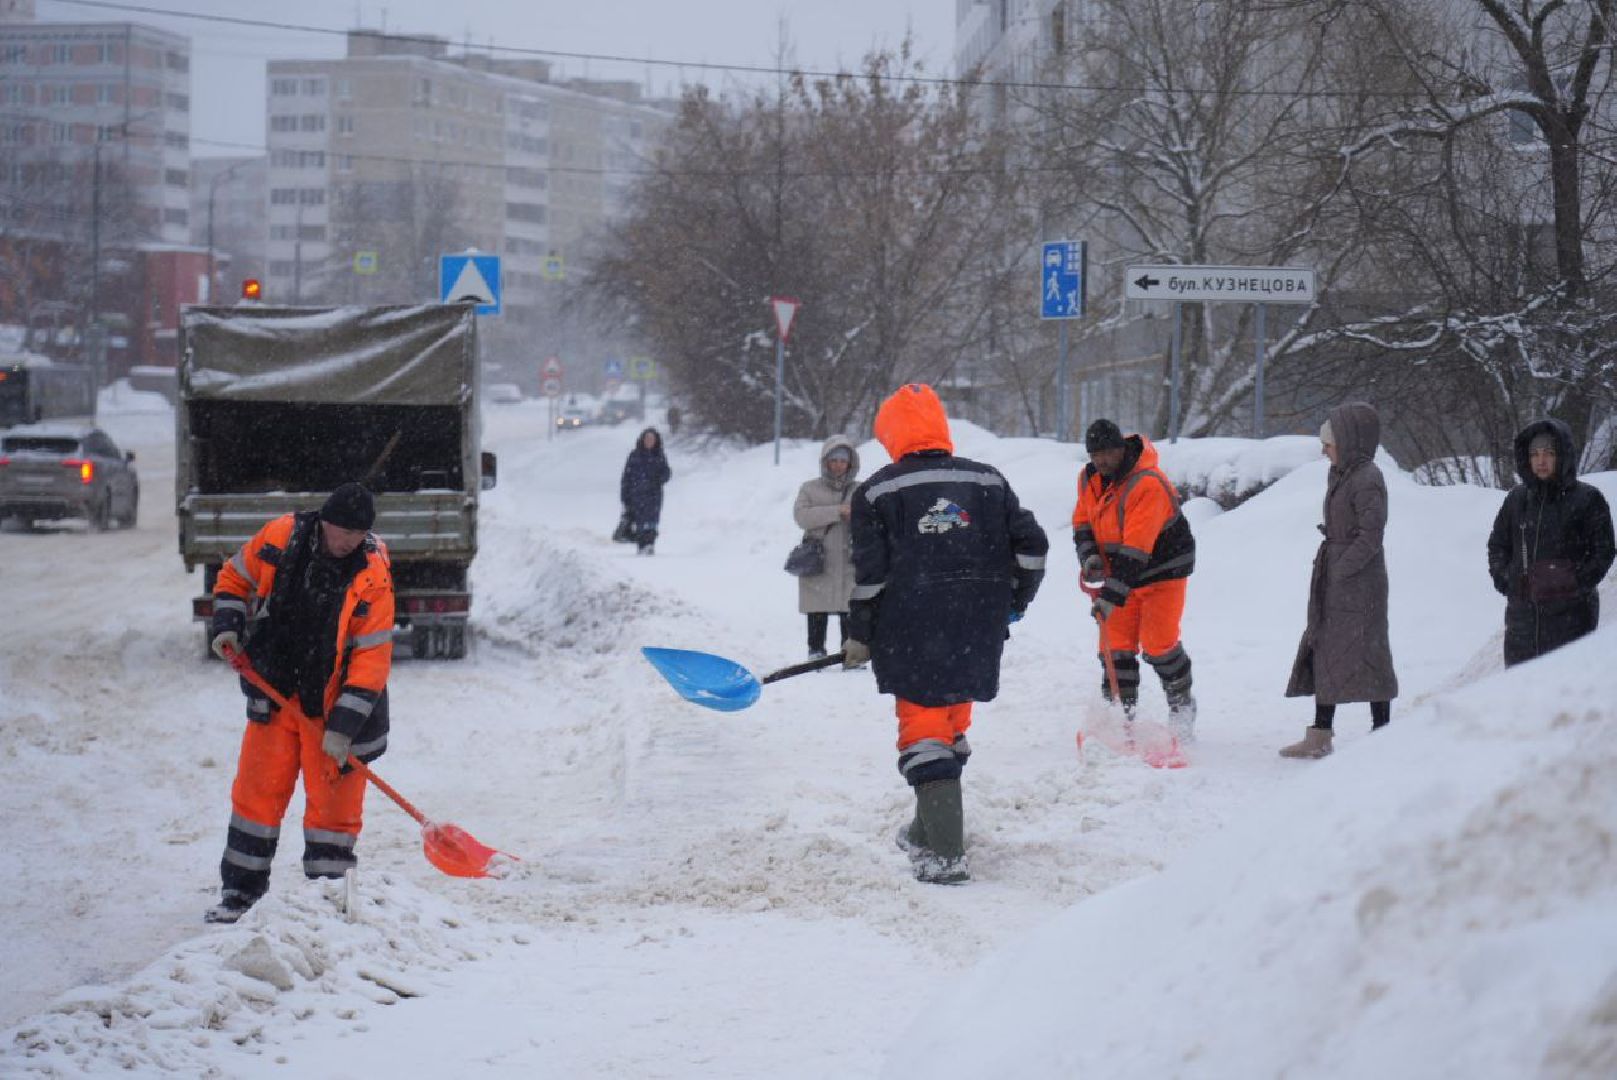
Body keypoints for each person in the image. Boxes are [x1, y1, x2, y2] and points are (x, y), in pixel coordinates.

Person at [846, 384, 1047, 885]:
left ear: (891, 433)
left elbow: (871, 576)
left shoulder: (876, 492)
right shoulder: (989, 482)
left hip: (911, 629)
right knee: (950, 724)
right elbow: (1033, 549)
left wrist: (860, 633)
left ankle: (945, 856)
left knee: (924, 729)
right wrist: (1013, 602)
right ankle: (923, 833)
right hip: (977, 629)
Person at [204, 482, 396, 923]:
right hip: (276, 691)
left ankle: (327, 901)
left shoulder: (373, 574)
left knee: (334, 812)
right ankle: (239, 893)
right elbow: (234, 578)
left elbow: (371, 659)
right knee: (256, 798)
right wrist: (228, 626)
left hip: (335, 708)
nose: (346, 540)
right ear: (323, 520)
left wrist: (343, 727)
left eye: (356, 533)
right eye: (339, 529)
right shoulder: (281, 537)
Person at [1281, 403, 1398, 759]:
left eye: (1329, 444)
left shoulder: (1368, 479)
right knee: (1327, 650)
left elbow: (1371, 536)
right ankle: (1320, 734)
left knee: (1369, 652)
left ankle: (1384, 733)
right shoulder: (1342, 473)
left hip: (1361, 584)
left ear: (1349, 441)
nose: (1324, 450)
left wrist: (1343, 568)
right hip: (1335, 576)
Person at [1072, 418, 1198, 739]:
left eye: (1108, 453)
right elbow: (1082, 522)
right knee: (1116, 649)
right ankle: (1120, 720)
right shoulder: (1089, 479)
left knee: (1159, 646)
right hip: (1121, 574)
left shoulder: (1148, 484)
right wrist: (1090, 557)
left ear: (1121, 449)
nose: (1101, 461)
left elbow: (1136, 550)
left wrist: (1110, 598)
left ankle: (1182, 708)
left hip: (1162, 572)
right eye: (1094, 454)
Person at [1487, 418, 1615, 666]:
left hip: (1571, 622)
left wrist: (1572, 583)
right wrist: (1506, 579)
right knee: (1520, 697)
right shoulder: (1517, 500)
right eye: (1535, 454)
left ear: (1562, 455)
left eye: (1548, 453)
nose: (1541, 460)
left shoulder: (1587, 499)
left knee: (1566, 698)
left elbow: (1604, 551)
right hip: (1521, 625)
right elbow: (1498, 544)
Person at [792, 436, 861, 659]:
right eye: (834, 460)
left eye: (843, 460)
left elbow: (874, 519)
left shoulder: (861, 490)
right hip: (819, 557)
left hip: (850, 557)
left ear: (850, 463)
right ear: (825, 461)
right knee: (816, 605)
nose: (838, 465)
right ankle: (816, 651)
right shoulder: (809, 489)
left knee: (850, 606)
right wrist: (837, 511)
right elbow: (802, 517)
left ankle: (849, 653)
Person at [620, 427, 671, 555]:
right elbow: (626, 477)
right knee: (640, 522)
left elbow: (666, 472)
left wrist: (661, 478)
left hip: (654, 495)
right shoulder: (634, 456)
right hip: (637, 495)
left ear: (656, 441)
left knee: (652, 521)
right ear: (642, 440)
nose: (649, 441)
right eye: (647, 439)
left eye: (652, 439)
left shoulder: (659, 455)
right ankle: (642, 545)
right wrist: (625, 496)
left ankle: (650, 545)